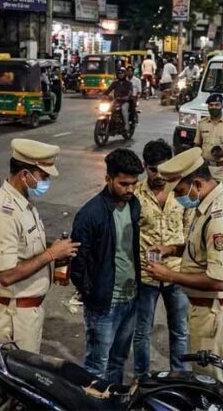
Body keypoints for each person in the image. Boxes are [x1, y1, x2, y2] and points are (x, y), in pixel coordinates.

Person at [144, 147, 223, 386]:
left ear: (198, 184)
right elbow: (202, 249)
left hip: (216, 313)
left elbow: (218, 280)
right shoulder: (211, 203)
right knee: (210, 378)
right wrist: (173, 249)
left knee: (214, 382)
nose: (178, 197)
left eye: (180, 191)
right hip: (211, 309)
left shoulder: (220, 219)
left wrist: (170, 275)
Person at [0, 139, 79, 353]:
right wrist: (51, 254)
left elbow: (25, 246)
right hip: (14, 317)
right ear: (25, 175)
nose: (46, 182)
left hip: (25, 313)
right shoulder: (4, 214)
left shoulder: (22, 202)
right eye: (43, 176)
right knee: (18, 372)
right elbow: (6, 275)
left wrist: (53, 247)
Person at [71, 149, 144, 385]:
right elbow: (78, 263)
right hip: (104, 305)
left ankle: (112, 400)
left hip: (130, 299)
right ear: (108, 179)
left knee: (118, 361)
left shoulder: (134, 205)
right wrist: (91, 294)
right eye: (124, 184)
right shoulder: (90, 214)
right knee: (96, 367)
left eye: (134, 183)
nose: (130, 190)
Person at [132, 140, 192, 377]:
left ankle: (179, 377)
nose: (158, 176)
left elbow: (189, 230)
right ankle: (142, 379)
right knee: (142, 332)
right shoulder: (135, 194)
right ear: (144, 166)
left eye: (162, 169)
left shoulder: (182, 192)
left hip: (176, 273)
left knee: (180, 330)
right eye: (152, 169)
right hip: (146, 275)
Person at [193, 93, 223, 188]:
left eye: (217, 105)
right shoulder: (202, 123)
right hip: (205, 168)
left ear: (222, 106)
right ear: (208, 107)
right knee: (204, 194)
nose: (214, 107)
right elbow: (197, 145)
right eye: (211, 105)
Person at [105, 67, 133, 133]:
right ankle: (111, 124)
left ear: (125, 74)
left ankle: (126, 125)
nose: (120, 75)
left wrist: (126, 97)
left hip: (125, 101)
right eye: (119, 73)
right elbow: (108, 90)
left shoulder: (129, 83)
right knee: (108, 108)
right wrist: (103, 95)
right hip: (116, 101)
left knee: (124, 109)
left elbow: (130, 92)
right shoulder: (115, 83)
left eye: (122, 73)